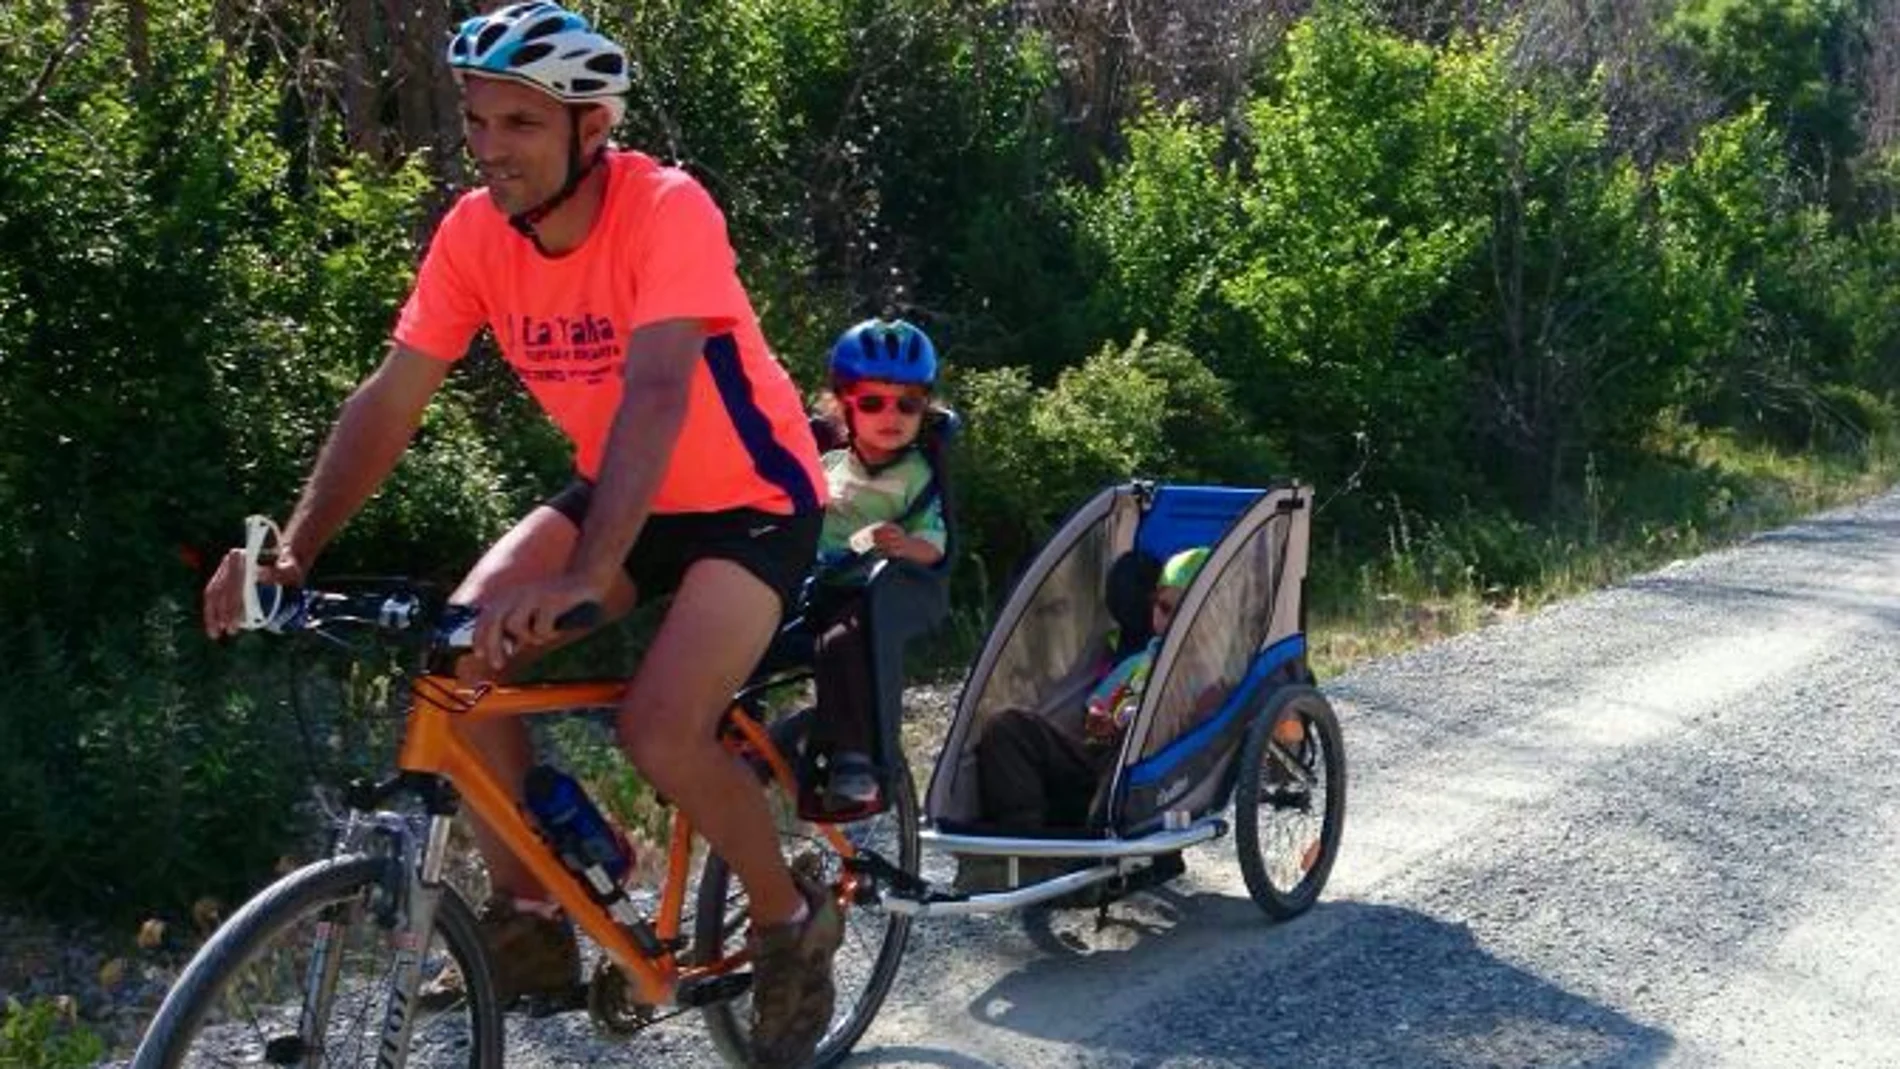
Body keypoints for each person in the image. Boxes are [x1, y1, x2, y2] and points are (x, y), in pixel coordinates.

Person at [201, 5, 836, 1063]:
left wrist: (590, 574)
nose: (490, 147)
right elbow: (394, 396)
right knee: (457, 655)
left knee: (660, 726)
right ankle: (533, 916)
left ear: (592, 128)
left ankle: (788, 920)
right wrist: (293, 548)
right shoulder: (471, 233)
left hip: (750, 500)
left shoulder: (665, 207)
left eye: (520, 125)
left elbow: (658, 390)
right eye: (478, 121)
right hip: (622, 493)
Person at [806, 319, 948, 811]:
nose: (892, 416)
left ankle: (855, 761)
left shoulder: (917, 474)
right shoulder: (827, 467)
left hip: (872, 593)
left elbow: (936, 545)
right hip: (814, 583)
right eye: (872, 403)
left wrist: (904, 544)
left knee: (841, 642)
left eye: (907, 404)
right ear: (844, 405)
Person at [974, 547, 1213, 835]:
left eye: (1185, 612)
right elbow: (1094, 716)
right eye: (1163, 607)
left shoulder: (1214, 671)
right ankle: (1022, 843)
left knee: (1136, 732)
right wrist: (1099, 723)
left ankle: (1094, 841)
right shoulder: (1138, 663)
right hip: (1099, 764)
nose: (1172, 620)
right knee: (1006, 726)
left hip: (1154, 778)